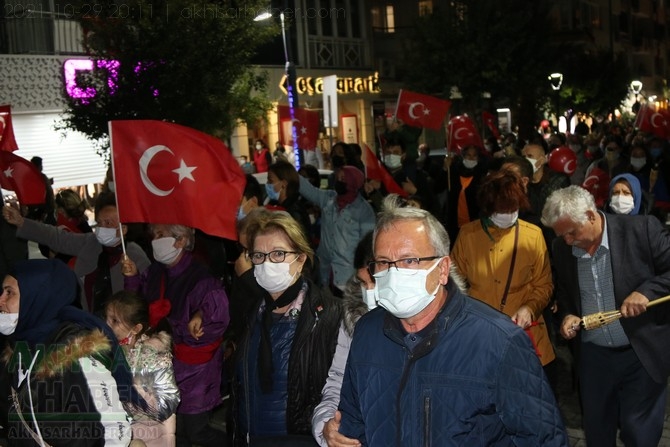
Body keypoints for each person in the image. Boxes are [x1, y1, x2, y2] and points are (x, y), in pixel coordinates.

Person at [336, 203, 567, 446]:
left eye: (410, 260)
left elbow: (543, 438)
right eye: (384, 262)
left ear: (443, 269)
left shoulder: (499, 342)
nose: (394, 273)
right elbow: (352, 421)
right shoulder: (367, 331)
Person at [541, 185, 670, 447]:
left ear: (590, 216)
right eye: (561, 235)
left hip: (640, 353)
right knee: (598, 432)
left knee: (639, 433)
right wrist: (567, 315)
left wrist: (646, 292)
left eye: (572, 233)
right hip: (594, 357)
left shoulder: (642, 229)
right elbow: (565, 291)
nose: (567, 240)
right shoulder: (561, 247)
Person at [0, 259, 145, 446]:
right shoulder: (16, 348)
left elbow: (114, 431)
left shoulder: (75, 352)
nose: (1, 300)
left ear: (38, 296)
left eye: (9, 293)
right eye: (2, 291)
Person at [231, 211, 341, 446]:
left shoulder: (328, 315)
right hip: (252, 437)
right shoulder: (252, 310)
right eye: (259, 255)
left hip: (301, 440)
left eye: (278, 254)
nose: (267, 263)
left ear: (300, 259)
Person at [122, 224, 230, 447]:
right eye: (153, 235)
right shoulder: (154, 272)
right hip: (163, 365)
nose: (154, 240)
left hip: (195, 369)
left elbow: (217, 317)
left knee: (196, 430)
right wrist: (132, 278)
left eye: (160, 235)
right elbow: (137, 307)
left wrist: (198, 319)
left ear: (180, 241)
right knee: (174, 429)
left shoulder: (201, 276)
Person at [451, 170, 556, 385]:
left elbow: (543, 285)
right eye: (501, 209)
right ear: (489, 207)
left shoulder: (533, 235)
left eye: (513, 208)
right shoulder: (468, 234)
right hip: (478, 336)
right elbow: (453, 285)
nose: (508, 214)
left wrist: (529, 308)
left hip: (523, 334)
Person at [2, 192, 151, 313]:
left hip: (123, 328)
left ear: (123, 229)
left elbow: (148, 294)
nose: (101, 227)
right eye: (99, 223)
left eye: (108, 223)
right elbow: (56, 237)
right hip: (90, 323)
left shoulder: (135, 255)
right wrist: (22, 223)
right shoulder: (91, 243)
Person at [311, 232, 375, 447]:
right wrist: (325, 425)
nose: (370, 292)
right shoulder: (355, 315)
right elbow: (338, 378)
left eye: (375, 282)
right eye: (364, 283)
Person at [105, 290, 181, 447]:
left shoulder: (154, 355)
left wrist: (131, 399)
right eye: (106, 318)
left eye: (114, 321)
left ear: (136, 328)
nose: (107, 325)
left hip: (152, 437)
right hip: (119, 434)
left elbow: (168, 402)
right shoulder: (108, 351)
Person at [298, 165, 376, 293]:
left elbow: (367, 247)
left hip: (348, 279)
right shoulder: (328, 199)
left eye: (343, 179)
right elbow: (308, 190)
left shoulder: (364, 211)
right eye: (338, 177)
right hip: (325, 275)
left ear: (353, 183)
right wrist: (290, 172)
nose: (339, 181)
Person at [266, 161, 312, 239]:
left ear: (284, 183)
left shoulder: (294, 211)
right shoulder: (277, 205)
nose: (267, 184)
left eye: (270, 181)